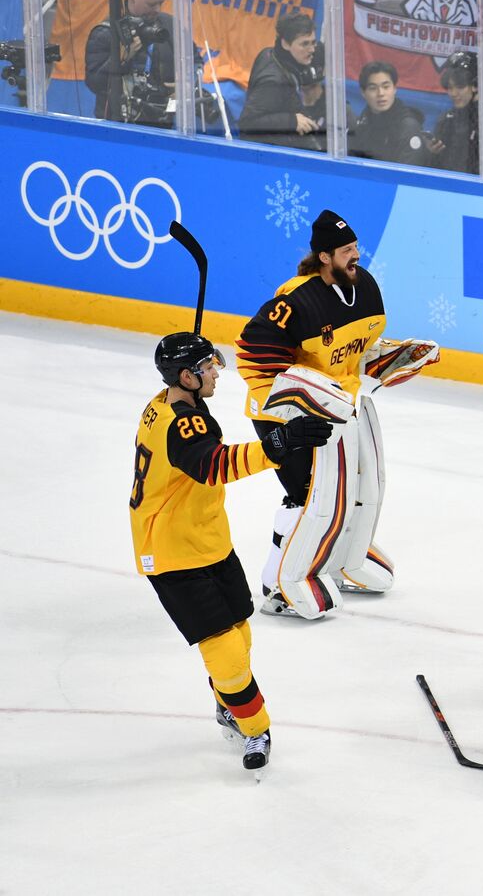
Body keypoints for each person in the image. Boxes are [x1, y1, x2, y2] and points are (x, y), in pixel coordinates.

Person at [131, 330, 331, 772]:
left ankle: (230, 704)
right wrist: (279, 443)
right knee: (225, 653)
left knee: (239, 634)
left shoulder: (169, 403)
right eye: (207, 367)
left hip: (208, 540)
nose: (216, 372)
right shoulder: (183, 423)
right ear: (186, 377)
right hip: (172, 552)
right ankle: (255, 727)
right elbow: (213, 466)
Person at [235, 210, 440, 620]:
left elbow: (357, 354)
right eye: (347, 250)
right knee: (309, 495)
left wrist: (398, 357)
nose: (356, 255)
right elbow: (252, 356)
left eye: (356, 247)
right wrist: (303, 400)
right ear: (325, 256)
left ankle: (340, 558)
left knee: (362, 487)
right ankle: (278, 585)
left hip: (341, 408)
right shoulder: (296, 300)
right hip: (287, 417)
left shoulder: (364, 288)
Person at [83, 0, 176, 125]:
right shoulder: (106, 32)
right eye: (151, 4)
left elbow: (195, 62)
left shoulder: (168, 24)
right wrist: (122, 59)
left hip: (161, 121)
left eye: (161, 4)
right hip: (117, 122)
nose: (157, 10)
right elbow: (94, 83)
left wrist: (185, 86)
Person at [238, 12, 324, 150]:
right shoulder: (273, 82)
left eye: (313, 43)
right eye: (304, 44)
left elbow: (287, 99)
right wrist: (291, 121)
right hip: (265, 153)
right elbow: (247, 123)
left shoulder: (270, 53)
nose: (312, 50)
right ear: (285, 44)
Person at [349, 61, 431, 166]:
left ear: (395, 88)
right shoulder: (363, 122)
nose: (381, 93)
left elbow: (408, 172)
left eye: (386, 87)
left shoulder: (407, 127)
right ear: (363, 92)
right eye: (373, 88)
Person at [427, 51, 480, 174]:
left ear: (475, 85)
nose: (454, 93)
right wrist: (432, 153)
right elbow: (434, 169)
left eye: (460, 87)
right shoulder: (445, 120)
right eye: (450, 88)